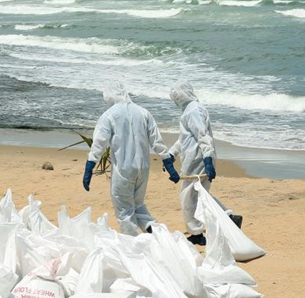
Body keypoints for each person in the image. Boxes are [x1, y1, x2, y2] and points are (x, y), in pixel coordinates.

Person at [82, 82, 180, 236]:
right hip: (143, 169)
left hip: (123, 170)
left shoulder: (109, 115)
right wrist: (169, 164)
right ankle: (158, 236)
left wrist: (89, 167)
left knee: (124, 212)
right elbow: (157, 141)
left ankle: (135, 246)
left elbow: (99, 144)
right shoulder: (143, 113)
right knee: (138, 205)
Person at [168, 81, 237, 246]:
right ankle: (228, 217)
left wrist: (207, 159)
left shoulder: (193, 111)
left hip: (197, 159)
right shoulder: (190, 110)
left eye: (177, 93)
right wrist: (172, 153)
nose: (175, 97)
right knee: (200, 196)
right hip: (195, 157)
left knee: (189, 197)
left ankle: (196, 233)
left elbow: (202, 136)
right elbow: (185, 138)